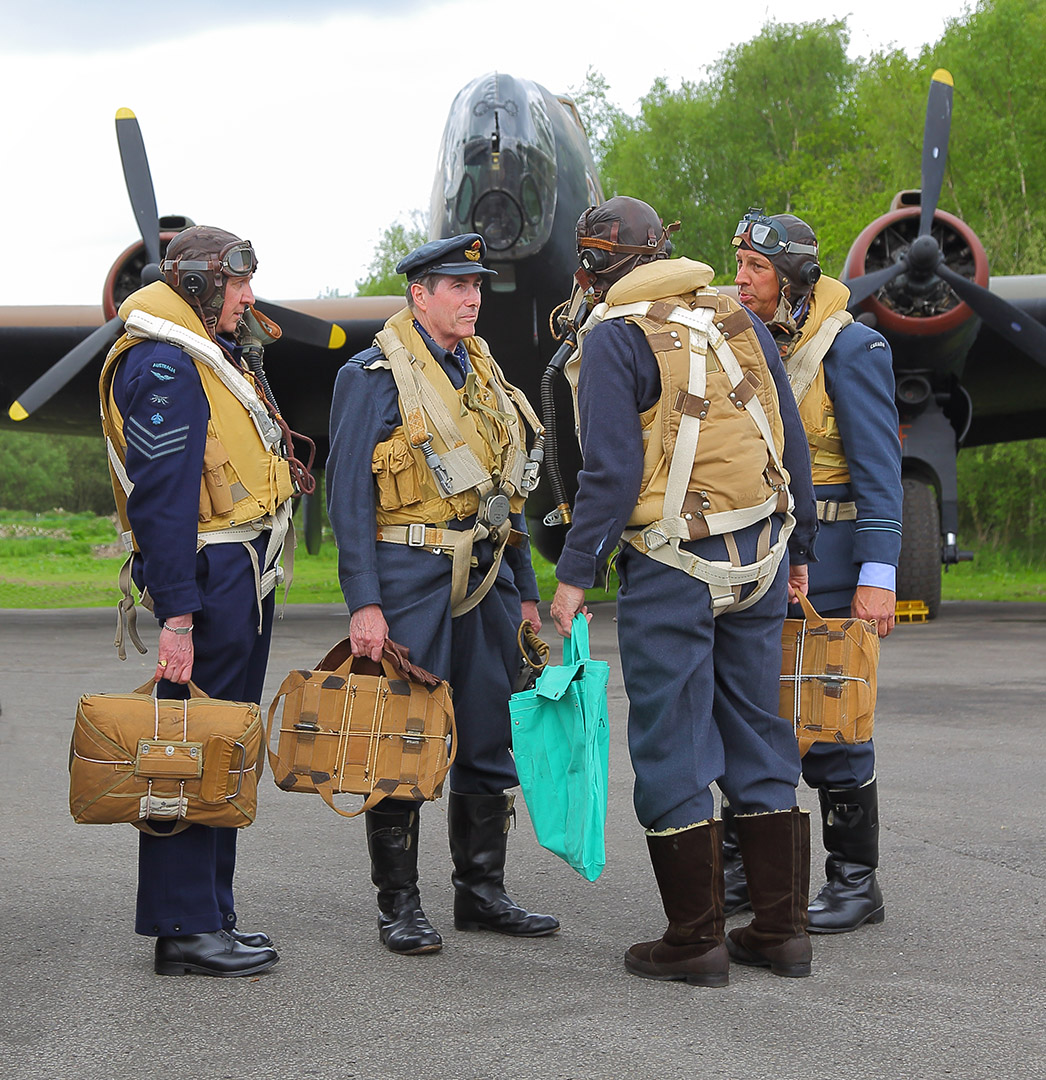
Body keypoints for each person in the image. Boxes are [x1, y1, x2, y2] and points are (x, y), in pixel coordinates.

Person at [549, 196, 819, 985]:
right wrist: (799, 550)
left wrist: (572, 579)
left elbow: (607, 474)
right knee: (758, 728)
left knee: (672, 741)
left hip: (675, 565)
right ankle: (781, 931)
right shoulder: (733, 317)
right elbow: (788, 437)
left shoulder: (613, 338)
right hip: (761, 554)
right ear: (666, 249)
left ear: (596, 263)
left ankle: (695, 941)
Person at [326, 233, 559, 955]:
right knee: (399, 739)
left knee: (489, 734)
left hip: (488, 575)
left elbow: (507, 494)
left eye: (477, 285)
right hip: (408, 578)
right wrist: (364, 602)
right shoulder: (368, 376)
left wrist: (525, 593)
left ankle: (480, 894)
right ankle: (398, 905)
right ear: (420, 294)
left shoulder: (486, 373)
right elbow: (347, 499)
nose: (473, 298)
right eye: (457, 286)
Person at [99, 225, 310, 976]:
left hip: (239, 573)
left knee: (223, 748)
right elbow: (161, 501)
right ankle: (183, 929)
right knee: (186, 752)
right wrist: (178, 617)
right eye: (235, 284)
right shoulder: (162, 362)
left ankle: (212, 912)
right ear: (197, 286)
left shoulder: (211, 353)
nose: (248, 297)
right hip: (209, 580)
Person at [727, 208, 902, 933]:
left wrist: (879, 572)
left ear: (796, 278)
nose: (740, 279)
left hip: (829, 558)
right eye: (737, 263)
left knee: (831, 722)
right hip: (755, 556)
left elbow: (880, 467)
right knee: (744, 713)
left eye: (756, 268)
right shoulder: (735, 342)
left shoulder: (852, 348)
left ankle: (855, 882)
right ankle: (744, 871)